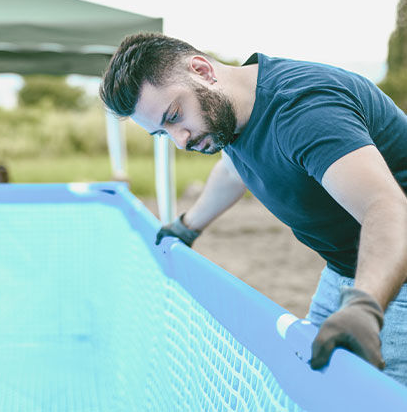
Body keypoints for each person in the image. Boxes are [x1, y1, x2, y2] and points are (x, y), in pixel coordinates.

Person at [100, 32, 407, 385]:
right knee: (313, 382)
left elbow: (384, 206)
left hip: (394, 271)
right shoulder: (230, 114)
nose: (180, 140)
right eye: (162, 132)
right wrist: (187, 226)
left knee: (366, 398)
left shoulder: (303, 110)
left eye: (174, 116)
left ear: (201, 70)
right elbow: (234, 170)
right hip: (346, 269)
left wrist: (365, 306)